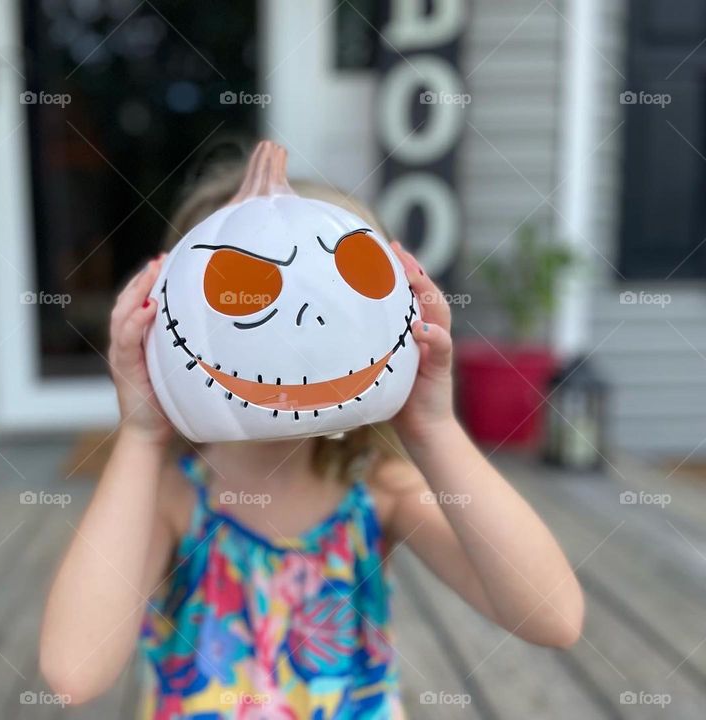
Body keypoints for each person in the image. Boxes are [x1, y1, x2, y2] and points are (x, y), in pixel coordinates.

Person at [39, 147, 584, 719]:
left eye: (338, 287)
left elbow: (551, 616)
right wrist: (142, 434)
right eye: (242, 289)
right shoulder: (176, 503)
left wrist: (432, 426)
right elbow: (75, 671)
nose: (302, 323)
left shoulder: (378, 493)